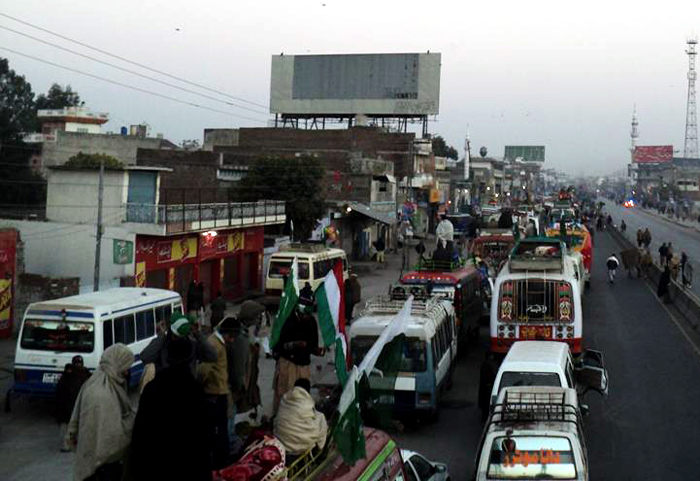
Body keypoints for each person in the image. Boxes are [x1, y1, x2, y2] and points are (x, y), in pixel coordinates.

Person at [131, 337, 211, 481]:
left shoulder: (153, 388)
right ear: (190, 358)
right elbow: (202, 439)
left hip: (156, 468)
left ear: (167, 357)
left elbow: (140, 433)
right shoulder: (194, 391)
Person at [65, 344, 135, 481]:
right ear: (117, 364)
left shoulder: (101, 382)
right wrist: (133, 420)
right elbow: (111, 440)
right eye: (126, 367)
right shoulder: (101, 394)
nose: (127, 372)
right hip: (101, 469)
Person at [272, 290, 324, 413]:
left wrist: (318, 351)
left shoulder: (311, 322)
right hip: (287, 363)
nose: (307, 317)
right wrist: (294, 344)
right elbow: (278, 346)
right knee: (285, 396)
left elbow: (312, 346)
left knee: (303, 398)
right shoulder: (286, 320)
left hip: (303, 365)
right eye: (305, 314)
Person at [199, 316, 237, 470]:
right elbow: (203, 371)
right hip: (214, 396)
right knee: (217, 434)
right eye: (232, 337)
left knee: (220, 433)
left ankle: (222, 463)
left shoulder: (218, 343)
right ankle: (220, 466)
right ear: (226, 333)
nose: (232, 341)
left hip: (218, 393)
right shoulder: (214, 345)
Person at [228, 301, 265, 454]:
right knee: (228, 425)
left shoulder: (241, 333)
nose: (259, 320)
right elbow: (238, 370)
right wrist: (239, 389)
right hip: (230, 390)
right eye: (257, 316)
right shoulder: (240, 339)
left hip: (230, 388)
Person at [140, 312, 217, 376]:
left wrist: (161, 335)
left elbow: (145, 357)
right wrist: (198, 334)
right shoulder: (192, 346)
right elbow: (212, 356)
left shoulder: (163, 346)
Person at [273, 378, 328, 457]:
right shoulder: (306, 402)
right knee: (321, 417)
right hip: (300, 444)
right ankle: (319, 450)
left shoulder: (285, 398)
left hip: (282, 441)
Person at [56, 356, 91, 452]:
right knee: (66, 427)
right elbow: (60, 393)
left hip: (79, 405)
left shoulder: (85, 374)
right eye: (76, 363)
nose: (78, 365)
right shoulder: (66, 377)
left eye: (80, 363)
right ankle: (66, 445)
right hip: (65, 407)